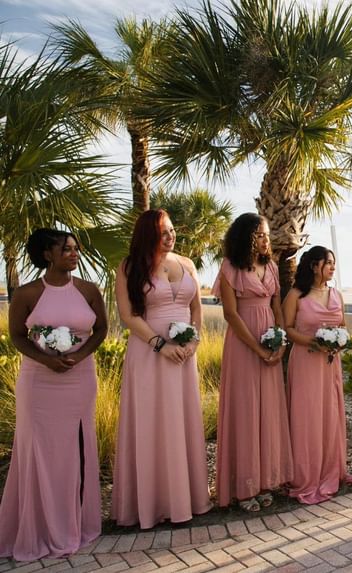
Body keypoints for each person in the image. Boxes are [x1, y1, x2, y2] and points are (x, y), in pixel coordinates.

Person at [0, 229, 107, 561]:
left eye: (76, 249)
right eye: (66, 249)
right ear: (47, 254)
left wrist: (81, 354)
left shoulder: (89, 290)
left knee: (76, 449)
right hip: (39, 382)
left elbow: (101, 329)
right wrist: (47, 359)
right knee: (38, 451)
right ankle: (38, 527)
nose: (74, 254)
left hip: (80, 380)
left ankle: (76, 521)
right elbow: (17, 335)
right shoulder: (28, 293)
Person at [112, 209, 212, 528]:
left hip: (185, 355)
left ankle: (188, 499)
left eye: (172, 230)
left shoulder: (187, 264)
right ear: (148, 235)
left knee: (182, 420)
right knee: (152, 422)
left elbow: (196, 308)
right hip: (149, 354)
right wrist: (161, 345)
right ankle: (153, 504)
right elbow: (128, 316)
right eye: (163, 232)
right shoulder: (129, 267)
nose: (171, 237)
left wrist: (193, 342)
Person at [213, 213, 291, 512]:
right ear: (245, 236)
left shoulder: (271, 266)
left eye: (267, 235)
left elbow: (277, 306)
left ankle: (265, 480)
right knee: (246, 412)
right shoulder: (230, 268)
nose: (265, 240)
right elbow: (231, 314)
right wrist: (258, 349)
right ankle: (244, 488)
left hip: (271, 340)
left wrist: (281, 340)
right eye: (259, 235)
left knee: (268, 411)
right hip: (244, 345)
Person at [284, 246, 352, 504]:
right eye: (328, 263)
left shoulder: (335, 293)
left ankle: (331, 468)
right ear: (314, 265)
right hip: (306, 362)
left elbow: (342, 326)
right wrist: (312, 342)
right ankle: (306, 474)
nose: (332, 267)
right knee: (307, 416)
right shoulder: (296, 295)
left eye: (333, 263)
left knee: (329, 414)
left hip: (330, 363)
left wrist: (338, 342)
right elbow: (287, 329)